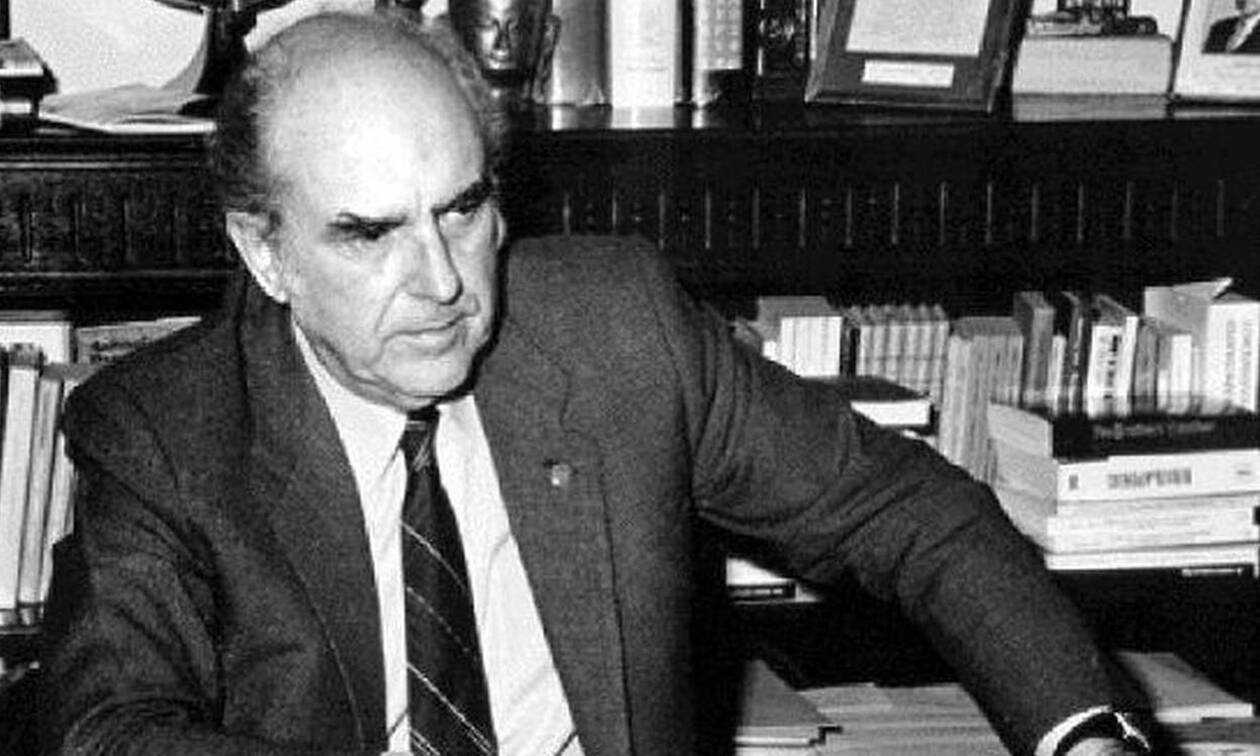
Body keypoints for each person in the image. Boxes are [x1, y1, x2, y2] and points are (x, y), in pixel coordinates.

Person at [40, 8, 1155, 756]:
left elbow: (906, 512)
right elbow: (106, 728)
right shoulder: (163, 431)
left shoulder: (616, 328)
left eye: (462, 210)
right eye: (369, 234)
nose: (440, 281)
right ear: (266, 253)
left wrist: (1086, 734)